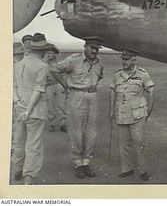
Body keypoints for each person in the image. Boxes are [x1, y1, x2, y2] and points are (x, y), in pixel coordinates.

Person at [50, 38, 104, 179]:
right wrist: (65, 85)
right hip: (76, 96)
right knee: (76, 132)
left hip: (92, 96)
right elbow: (54, 69)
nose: (94, 51)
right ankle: (78, 164)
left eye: (97, 49)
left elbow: (99, 77)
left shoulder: (99, 63)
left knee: (91, 133)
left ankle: (86, 162)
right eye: (92, 47)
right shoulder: (74, 60)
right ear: (85, 46)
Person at [109, 48, 155, 181]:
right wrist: (111, 110)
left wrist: (149, 111)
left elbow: (151, 91)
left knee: (139, 143)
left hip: (137, 115)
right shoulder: (117, 75)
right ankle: (127, 169)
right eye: (123, 59)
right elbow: (112, 91)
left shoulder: (142, 74)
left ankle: (143, 170)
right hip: (122, 113)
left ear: (134, 60)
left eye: (126, 59)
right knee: (123, 143)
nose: (124, 62)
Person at [12, 33, 51, 185]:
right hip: (34, 111)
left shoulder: (19, 64)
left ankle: (17, 169)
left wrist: (17, 103)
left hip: (19, 107)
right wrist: (28, 110)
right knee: (33, 144)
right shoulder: (43, 66)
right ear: (41, 50)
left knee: (19, 141)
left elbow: (14, 86)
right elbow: (38, 90)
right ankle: (28, 177)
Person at [43, 43, 67, 133]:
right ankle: (52, 124)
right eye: (47, 53)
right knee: (50, 106)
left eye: (51, 53)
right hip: (48, 86)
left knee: (61, 105)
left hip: (58, 85)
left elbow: (64, 75)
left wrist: (64, 86)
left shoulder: (60, 64)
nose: (49, 55)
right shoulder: (44, 64)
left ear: (55, 54)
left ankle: (63, 124)